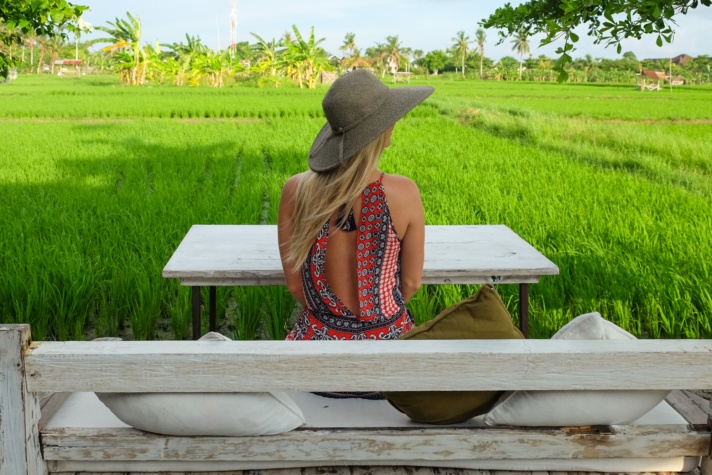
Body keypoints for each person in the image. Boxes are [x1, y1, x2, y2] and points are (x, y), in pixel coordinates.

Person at [278, 69, 434, 342]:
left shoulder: (295, 190)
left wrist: (334, 324)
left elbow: (294, 284)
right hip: (389, 348)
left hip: (316, 351)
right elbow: (411, 283)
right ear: (380, 129)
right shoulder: (405, 192)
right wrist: (377, 321)